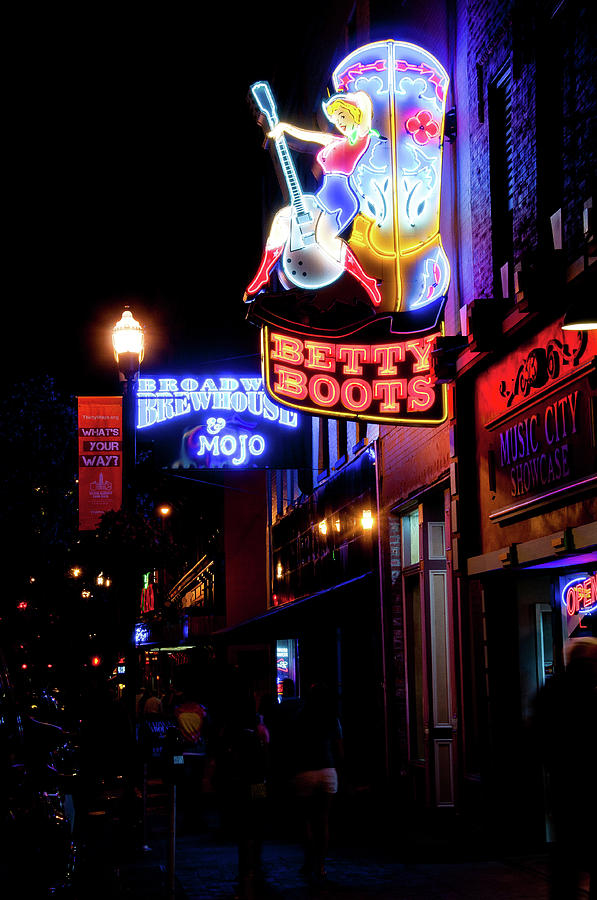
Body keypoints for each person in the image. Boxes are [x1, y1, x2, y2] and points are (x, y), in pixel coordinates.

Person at [245, 91, 382, 307]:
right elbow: (308, 136)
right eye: (337, 119)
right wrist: (283, 128)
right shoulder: (335, 141)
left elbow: (364, 108)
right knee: (282, 219)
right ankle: (263, 274)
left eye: (343, 117)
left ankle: (368, 282)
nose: (340, 123)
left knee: (326, 239)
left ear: (356, 116)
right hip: (322, 197)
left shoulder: (359, 140)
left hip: (341, 199)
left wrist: (356, 98)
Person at [533, 637, 597, 899]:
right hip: (586, 783)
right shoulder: (589, 692)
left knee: (566, 854)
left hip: (563, 783)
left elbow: (540, 735)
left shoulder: (553, 689)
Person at [286, 682, 343, 885]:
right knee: (323, 820)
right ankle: (321, 865)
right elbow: (339, 749)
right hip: (328, 771)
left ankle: (308, 861)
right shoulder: (332, 719)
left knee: (307, 820)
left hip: (305, 772)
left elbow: (291, 747)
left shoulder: (300, 717)